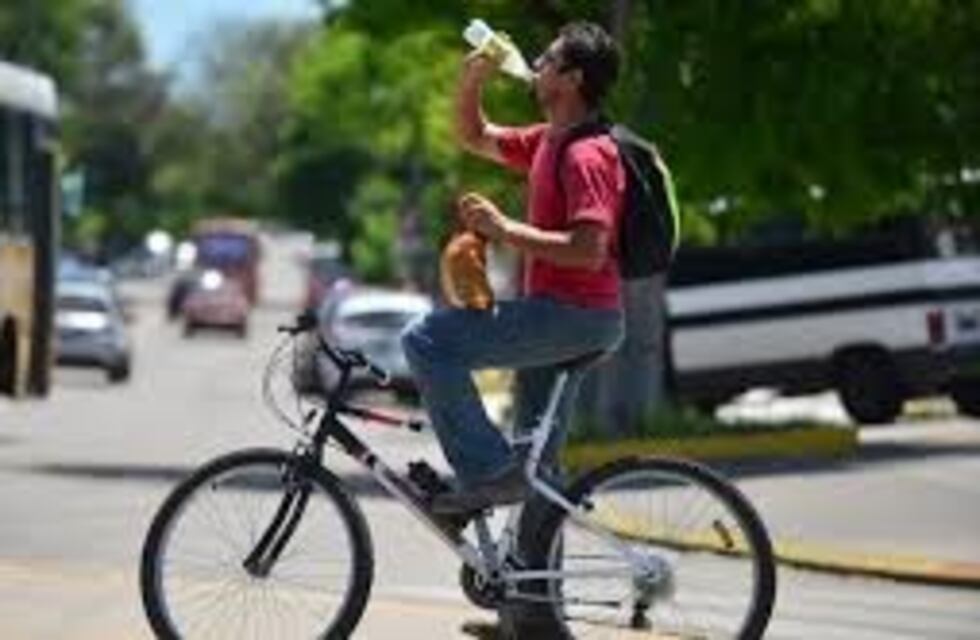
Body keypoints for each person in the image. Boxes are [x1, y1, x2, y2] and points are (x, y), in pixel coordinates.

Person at [402, 21, 625, 514]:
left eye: (548, 59)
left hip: (575, 315)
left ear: (572, 79)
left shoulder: (587, 154)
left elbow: (590, 249)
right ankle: (534, 587)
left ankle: (485, 472)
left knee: (427, 340)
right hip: (563, 314)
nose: (537, 66)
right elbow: (473, 135)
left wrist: (504, 230)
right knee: (536, 467)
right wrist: (472, 80)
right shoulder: (549, 140)